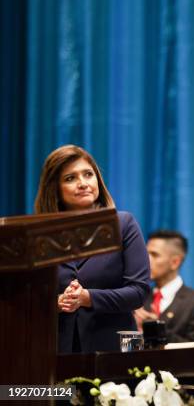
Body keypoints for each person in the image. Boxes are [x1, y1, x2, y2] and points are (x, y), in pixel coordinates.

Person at [34, 144, 151, 353]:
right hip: (56, 351)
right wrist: (58, 302)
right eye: (70, 178)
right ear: (56, 190)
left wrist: (87, 297)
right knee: (26, 388)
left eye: (88, 174)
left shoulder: (123, 224)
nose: (83, 183)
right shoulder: (40, 235)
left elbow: (139, 292)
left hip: (121, 351)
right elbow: (27, 301)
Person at [134, 230, 194, 344]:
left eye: (154, 255)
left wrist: (156, 328)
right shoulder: (139, 298)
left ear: (175, 262)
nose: (146, 260)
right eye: (146, 254)